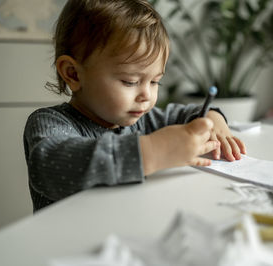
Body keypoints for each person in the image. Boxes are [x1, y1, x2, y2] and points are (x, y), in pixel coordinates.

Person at [24, 0, 247, 212]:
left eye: (154, 81)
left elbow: (188, 114)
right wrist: (153, 151)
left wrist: (213, 120)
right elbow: (51, 169)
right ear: (73, 73)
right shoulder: (49, 123)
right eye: (130, 81)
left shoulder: (140, 120)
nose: (147, 95)